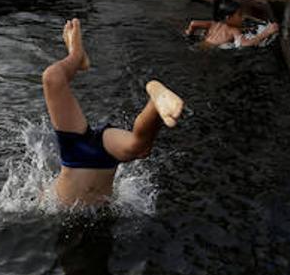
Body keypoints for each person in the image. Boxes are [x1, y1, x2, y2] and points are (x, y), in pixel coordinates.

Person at [43, 18, 184, 207]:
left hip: (74, 154)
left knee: (51, 77)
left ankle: (77, 55)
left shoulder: (43, 201)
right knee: (139, 147)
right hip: (89, 152)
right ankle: (154, 98)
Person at [186, 0, 280, 49]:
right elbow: (246, 44)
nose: (242, 18)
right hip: (209, 51)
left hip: (199, 45)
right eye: (239, 15)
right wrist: (266, 32)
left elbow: (193, 23)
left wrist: (189, 34)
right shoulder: (233, 30)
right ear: (228, 18)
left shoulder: (214, 24)